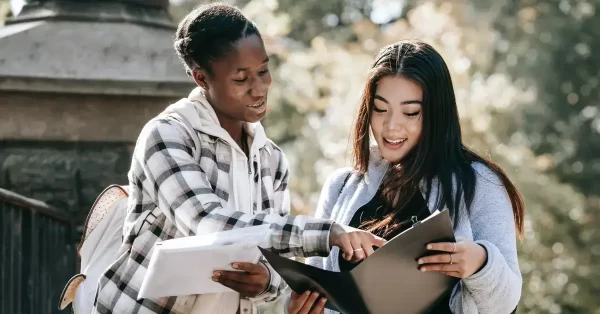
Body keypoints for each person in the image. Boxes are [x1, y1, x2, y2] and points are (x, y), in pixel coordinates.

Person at [91, 3, 384, 314]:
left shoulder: (271, 159)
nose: (259, 89)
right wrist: (327, 233)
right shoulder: (167, 136)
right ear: (202, 79)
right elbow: (208, 225)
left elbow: (269, 260)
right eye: (241, 79)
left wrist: (266, 281)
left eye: (263, 71)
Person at [288, 40, 524, 314]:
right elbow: (318, 288)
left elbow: (506, 304)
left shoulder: (479, 183)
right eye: (380, 108)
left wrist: (481, 263)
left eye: (410, 112)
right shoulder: (341, 186)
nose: (391, 126)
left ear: (437, 114)